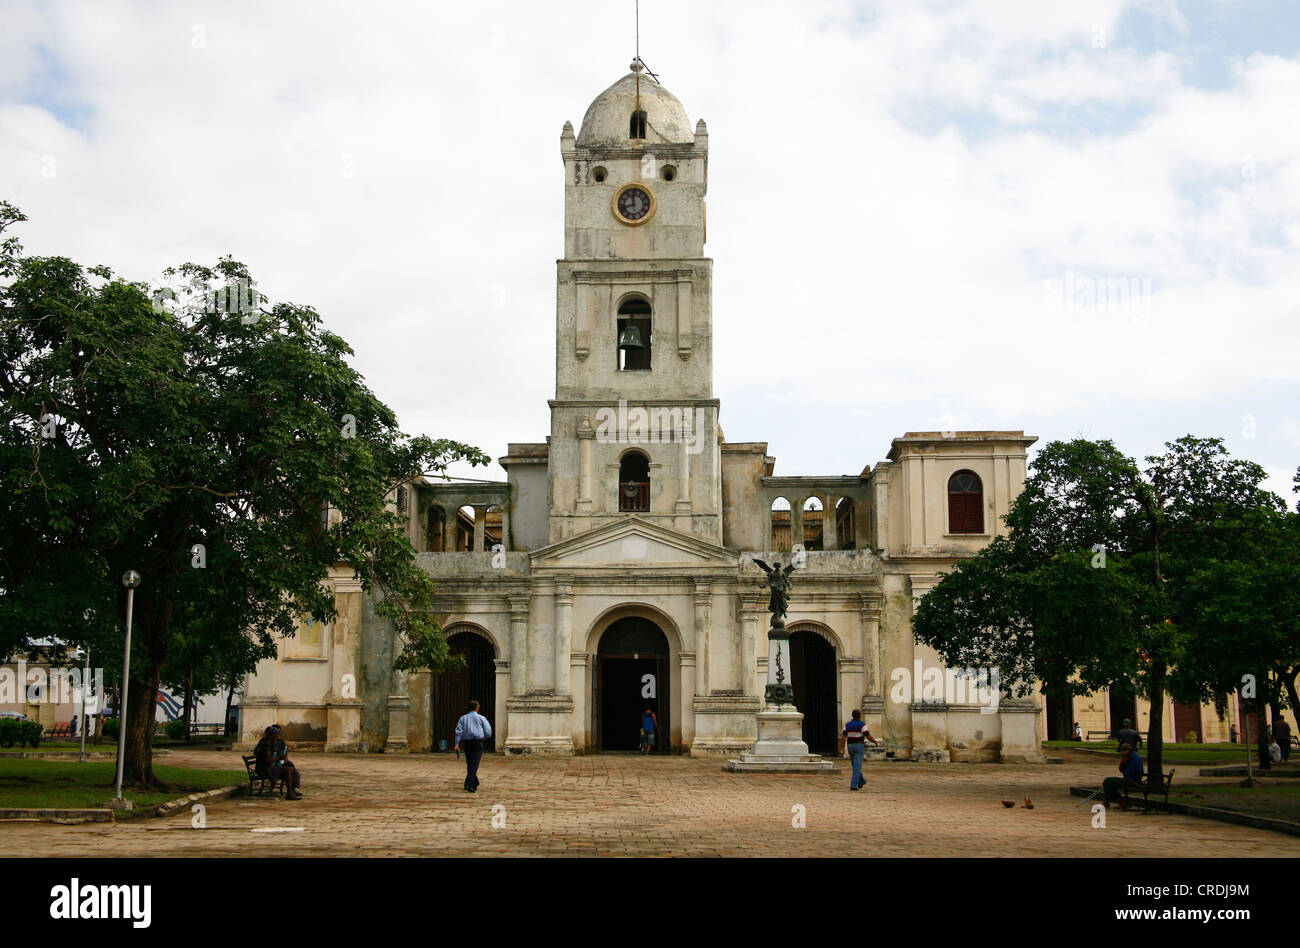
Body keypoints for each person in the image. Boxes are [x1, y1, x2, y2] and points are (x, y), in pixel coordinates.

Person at [454, 700, 493, 792]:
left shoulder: (463, 718)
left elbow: (458, 732)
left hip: (467, 743)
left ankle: (474, 782)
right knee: (474, 763)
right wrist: (484, 737)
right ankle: (469, 784)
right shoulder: (481, 718)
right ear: (477, 708)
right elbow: (488, 731)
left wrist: (456, 744)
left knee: (470, 763)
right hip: (477, 743)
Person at [254, 724, 302, 799]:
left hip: (270, 767)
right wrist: (279, 757)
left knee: (290, 766)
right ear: (271, 735)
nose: (278, 735)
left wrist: (282, 758)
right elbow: (268, 761)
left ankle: (294, 789)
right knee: (288, 769)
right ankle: (289, 793)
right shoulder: (266, 745)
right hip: (265, 770)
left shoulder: (272, 743)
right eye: (276, 734)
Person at [842, 709, 879, 791]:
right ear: (859, 716)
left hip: (850, 746)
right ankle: (853, 785)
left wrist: (842, 748)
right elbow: (868, 735)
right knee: (857, 766)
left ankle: (861, 781)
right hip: (859, 746)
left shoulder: (847, 725)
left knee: (855, 765)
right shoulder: (861, 724)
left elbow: (844, 737)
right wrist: (875, 741)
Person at [1101, 743, 1145, 809]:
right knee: (1108, 783)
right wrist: (1123, 762)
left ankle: (1117, 801)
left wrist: (1124, 762)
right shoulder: (1129, 758)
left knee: (1108, 781)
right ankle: (1111, 801)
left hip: (1133, 781)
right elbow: (1122, 770)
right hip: (1128, 779)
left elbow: (1134, 773)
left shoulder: (1134, 758)